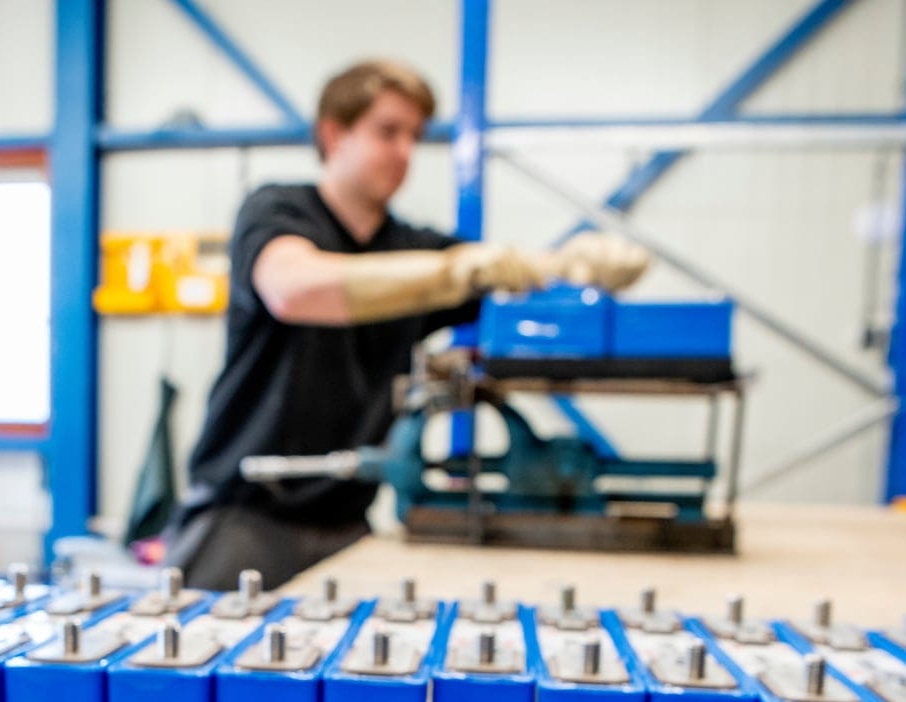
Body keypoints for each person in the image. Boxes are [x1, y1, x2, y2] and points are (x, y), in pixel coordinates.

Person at [163, 59, 650, 590]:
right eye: (387, 131)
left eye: (414, 137)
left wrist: (569, 265)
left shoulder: (419, 251)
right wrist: (459, 270)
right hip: (243, 517)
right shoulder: (277, 210)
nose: (404, 153)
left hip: (348, 526)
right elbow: (293, 289)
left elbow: (511, 287)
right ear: (333, 132)